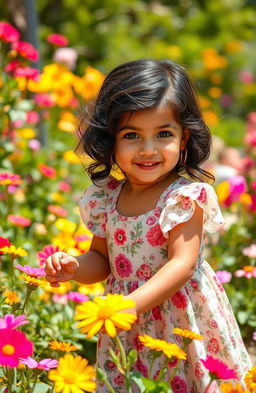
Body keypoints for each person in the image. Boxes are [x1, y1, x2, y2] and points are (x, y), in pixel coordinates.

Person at [44, 59, 252, 393]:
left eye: (164, 134)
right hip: (128, 326)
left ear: (184, 138)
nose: (148, 149)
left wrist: (125, 306)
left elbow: (182, 265)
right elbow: (101, 261)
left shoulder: (184, 197)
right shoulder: (106, 198)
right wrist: (73, 266)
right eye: (131, 135)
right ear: (110, 139)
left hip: (182, 323)